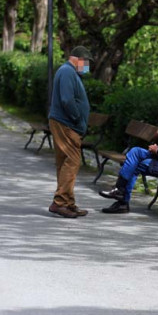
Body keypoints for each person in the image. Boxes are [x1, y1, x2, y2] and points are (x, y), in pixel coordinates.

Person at [47, 46, 92, 219]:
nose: (87, 66)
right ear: (78, 59)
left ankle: (67, 202)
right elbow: (67, 99)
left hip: (64, 122)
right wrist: (77, 118)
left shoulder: (69, 72)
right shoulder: (67, 72)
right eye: (86, 62)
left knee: (65, 161)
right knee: (72, 160)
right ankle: (60, 202)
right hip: (66, 123)